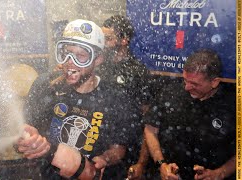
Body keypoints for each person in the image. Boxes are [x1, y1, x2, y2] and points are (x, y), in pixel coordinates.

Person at [16, 19, 140, 179]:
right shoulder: (45, 86)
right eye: (66, 53)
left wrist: (105, 159)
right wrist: (25, 140)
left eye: (80, 56)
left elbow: (119, 148)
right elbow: (23, 130)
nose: (70, 62)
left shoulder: (115, 97)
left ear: (98, 59)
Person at [143, 49, 236, 180]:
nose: (187, 87)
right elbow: (150, 129)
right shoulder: (170, 93)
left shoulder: (233, 106)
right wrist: (161, 164)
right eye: (185, 80)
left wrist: (219, 173)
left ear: (214, 82)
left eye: (194, 84)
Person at [98, 15, 154, 179]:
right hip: (98, 147)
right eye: (102, 38)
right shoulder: (97, 65)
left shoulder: (138, 72)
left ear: (124, 40)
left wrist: (141, 162)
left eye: (108, 38)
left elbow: (147, 119)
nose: (103, 43)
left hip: (127, 151)